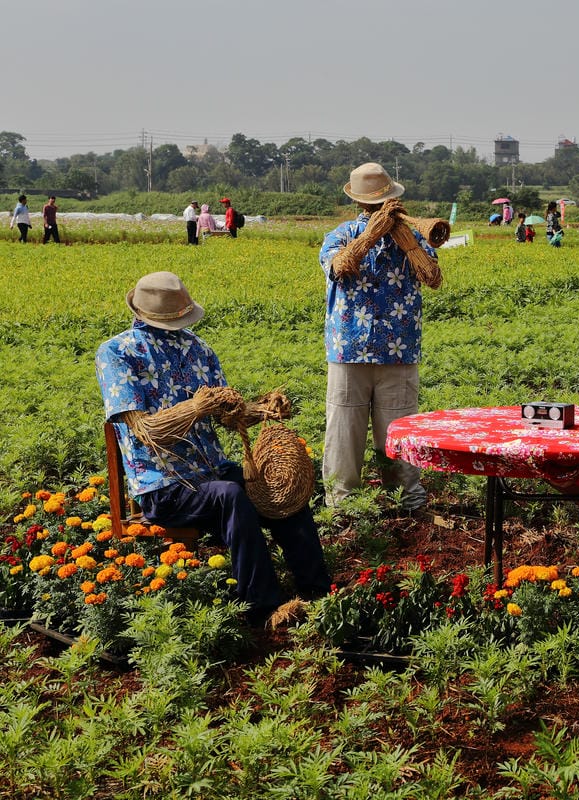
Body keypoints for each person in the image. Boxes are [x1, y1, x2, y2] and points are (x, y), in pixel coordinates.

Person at [95, 271, 332, 626]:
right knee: (230, 496)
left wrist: (263, 409)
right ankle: (263, 608)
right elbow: (146, 431)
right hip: (165, 486)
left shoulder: (197, 349)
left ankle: (318, 590)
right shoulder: (117, 353)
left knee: (276, 489)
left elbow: (227, 413)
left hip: (212, 470)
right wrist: (194, 407)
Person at [319, 162, 441, 510]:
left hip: (398, 350)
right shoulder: (341, 236)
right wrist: (372, 234)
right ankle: (343, 506)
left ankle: (407, 501)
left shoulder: (411, 238)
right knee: (345, 431)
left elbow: (432, 276)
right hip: (350, 349)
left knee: (398, 431)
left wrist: (404, 239)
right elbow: (340, 266)